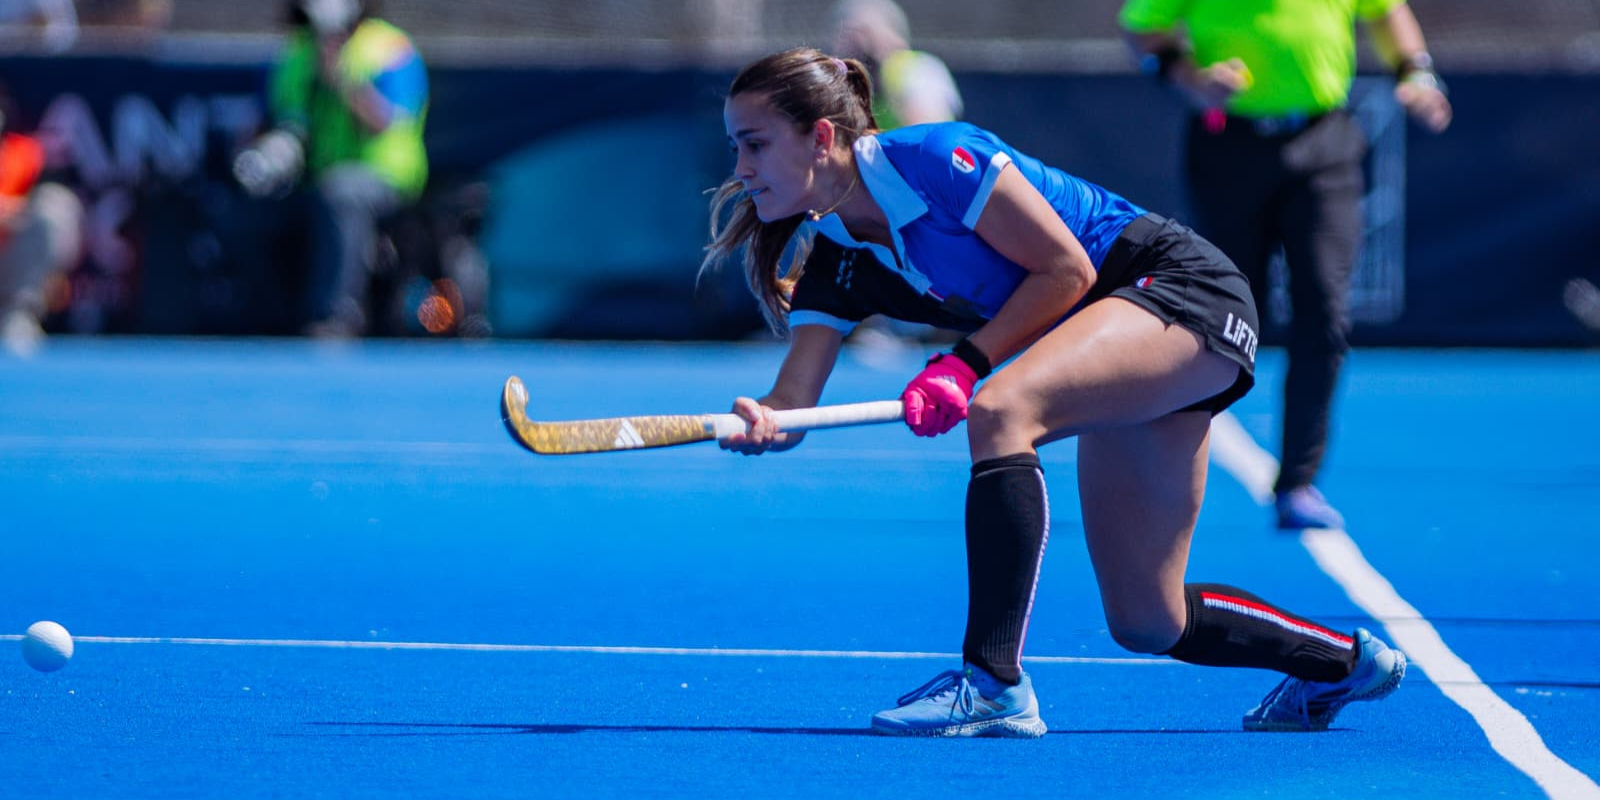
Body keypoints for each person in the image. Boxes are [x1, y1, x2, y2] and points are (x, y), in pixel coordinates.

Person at [703, 47, 1407, 737]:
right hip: (1118, 334)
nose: (741, 170)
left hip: (1183, 293)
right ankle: (1343, 663)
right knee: (1147, 619)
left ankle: (992, 685)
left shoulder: (936, 159)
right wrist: (764, 421)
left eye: (754, 145)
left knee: (1002, 410)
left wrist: (963, 364)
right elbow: (794, 402)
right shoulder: (834, 262)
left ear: (821, 137)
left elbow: (1066, 272)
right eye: (738, 148)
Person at [1118, 0, 1452, 531]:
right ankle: (1163, 470)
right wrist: (1192, 77)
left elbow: (1389, 12)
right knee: (1219, 317)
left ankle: (1298, 482)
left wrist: (1415, 71)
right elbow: (1143, 29)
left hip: (1324, 145)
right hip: (1229, 146)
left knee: (1324, 307)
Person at [234, 0, 428, 337]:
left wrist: (340, 78)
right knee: (248, 210)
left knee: (341, 193)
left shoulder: (390, 49)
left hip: (385, 178)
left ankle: (336, 316)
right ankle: (264, 321)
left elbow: (385, 122)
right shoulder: (296, 54)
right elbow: (279, 118)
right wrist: (269, 151)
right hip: (313, 179)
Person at [0, 107, 83, 356]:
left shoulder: (24, 153)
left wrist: (8, 211)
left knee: (56, 206)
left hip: (8, 257)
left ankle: (15, 313)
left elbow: (52, 206)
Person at [830, 0, 962, 130]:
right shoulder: (845, 82)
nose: (855, 45)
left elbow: (929, 130)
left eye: (862, 33)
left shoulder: (917, 68)